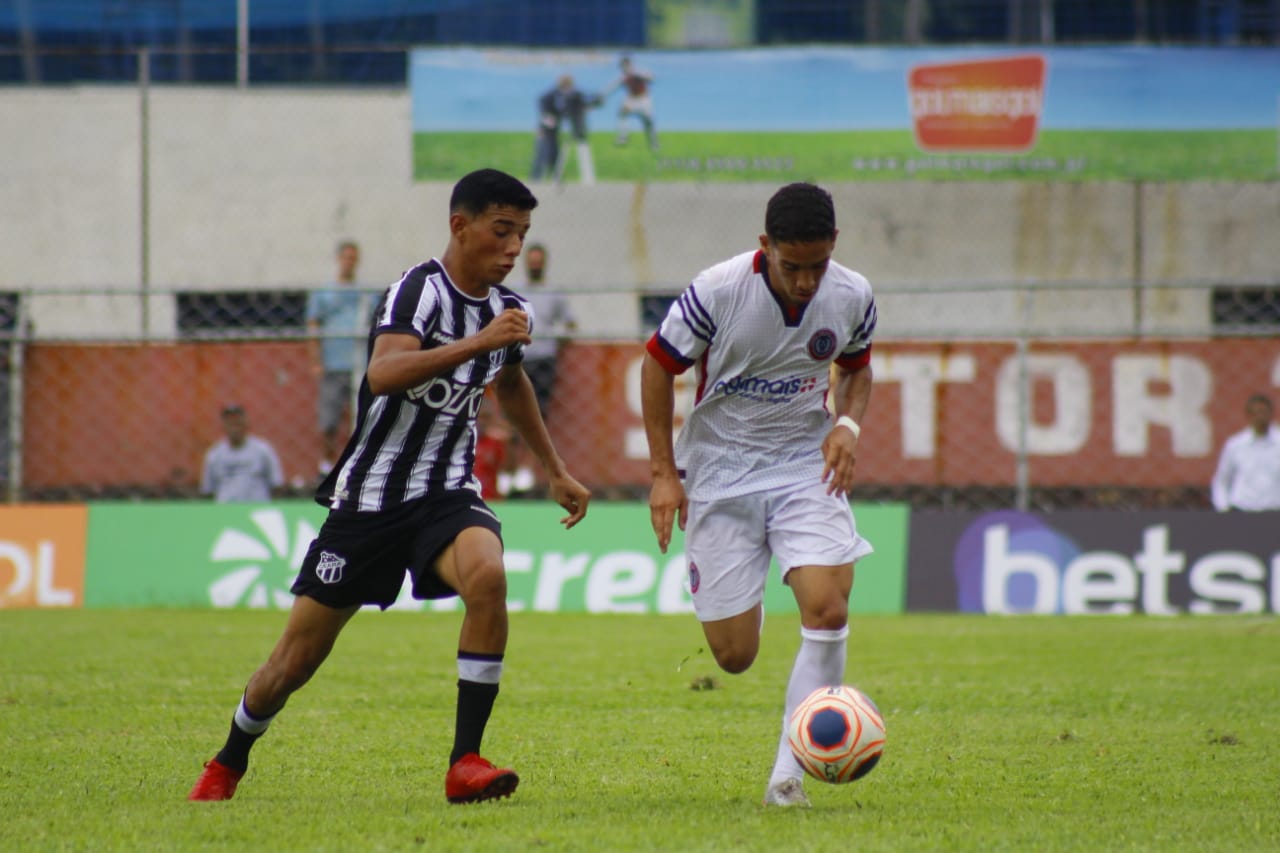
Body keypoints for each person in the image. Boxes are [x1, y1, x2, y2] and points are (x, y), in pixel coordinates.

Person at [188, 168, 592, 805]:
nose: (515, 247)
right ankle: (228, 760)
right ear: (461, 226)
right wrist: (476, 342)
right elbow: (384, 373)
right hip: (368, 501)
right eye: (502, 230)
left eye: (523, 233)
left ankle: (465, 763)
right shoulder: (417, 292)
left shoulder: (511, 310)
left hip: (446, 491)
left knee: (488, 576)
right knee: (292, 664)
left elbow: (509, 380)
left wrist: (554, 466)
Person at [640, 182, 877, 808]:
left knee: (827, 610)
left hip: (804, 469)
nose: (806, 282)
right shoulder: (717, 291)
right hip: (719, 475)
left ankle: (787, 776)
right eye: (792, 266)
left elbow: (856, 368)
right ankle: (748, 590)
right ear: (764, 245)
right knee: (734, 655)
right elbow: (657, 366)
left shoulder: (852, 294)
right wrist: (665, 472)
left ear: (834, 249)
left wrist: (848, 426)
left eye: (817, 266)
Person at [307, 239, 365, 477]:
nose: (349, 262)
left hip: (361, 365)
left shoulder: (365, 294)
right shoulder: (325, 293)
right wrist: (316, 360)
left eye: (353, 258)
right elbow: (313, 326)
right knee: (329, 419)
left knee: (361, 418)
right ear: (338, 259)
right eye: (345, 257)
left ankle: (357, 466)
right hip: (333, 363)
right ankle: (327, 467)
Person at [519, 243, 577, 418]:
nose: (535, 266)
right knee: (517, 403)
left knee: (540, 407)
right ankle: (516, 441)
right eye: (532, 262)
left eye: (538, 262)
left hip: (544, 357)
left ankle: (533, 443)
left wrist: (558, 341)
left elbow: (571, 324)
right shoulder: (516, 291)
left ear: (544, 264)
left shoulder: (553, 292)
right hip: (521, 357)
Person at [199, 404, 284, 503]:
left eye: (238, 422)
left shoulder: (262, 450)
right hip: (226, 511)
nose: (234, 427)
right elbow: (208, 490)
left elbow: (276, 484)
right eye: (230, 422)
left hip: (255, 510)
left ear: (246, 424)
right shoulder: (215, 455)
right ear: (223, 426)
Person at [1210, 393, 1280, 512]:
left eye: (1263, 412)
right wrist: (1224, 507)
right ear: (1248, 416)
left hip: (1275, 512)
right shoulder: (1236, 445)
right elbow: (1222, 480)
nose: (1260, 417)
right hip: (1243, 511)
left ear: (1271, 414)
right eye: (1255, 413)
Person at [530, 75, 602, 185]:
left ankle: (582, 178)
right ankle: (537, 178)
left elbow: (588, 102)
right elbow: (544, 107)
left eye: (568, 87)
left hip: (573, 129)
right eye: (565, 86)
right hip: (548, 129)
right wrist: (547, 118)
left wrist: (596, 100)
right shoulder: (551, 95)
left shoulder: (576, 95)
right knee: (544, 152)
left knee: (568, 151)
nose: (567, 89)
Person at [605, 55, 657, 151]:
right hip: (631, 100)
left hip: (643, 99)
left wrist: (640, 75)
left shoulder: (638, 72)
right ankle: (623, 137)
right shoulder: (624, 77)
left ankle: (653, 144)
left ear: (629, 64)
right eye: (622, 66)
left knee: (648, 122)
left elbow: (652, 78)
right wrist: (603, 95)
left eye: (624, 65)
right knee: (622, 112)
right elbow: (613, 87)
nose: (623, 68)